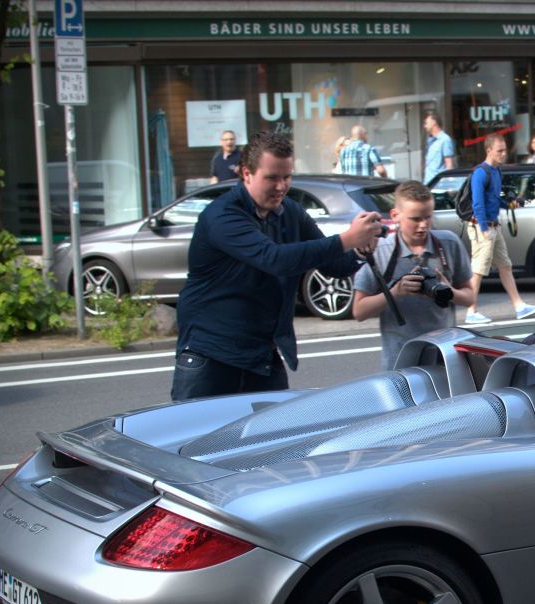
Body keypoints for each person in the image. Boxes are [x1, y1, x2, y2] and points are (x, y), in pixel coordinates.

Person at [172, 131, 383, 401]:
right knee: (197, 439)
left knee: (272, 439)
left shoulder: (290, 212)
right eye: (271, 178)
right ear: (246, 174)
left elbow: (335, 266)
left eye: (287, 176)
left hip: (260, 353)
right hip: (210, 352)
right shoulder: (222, 215)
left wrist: (362, 249)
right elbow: (275, 260)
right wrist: (347, 239)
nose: (281, 186)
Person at [352, 180, 475, 370]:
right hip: (400, 362)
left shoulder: (448, 244)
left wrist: (450, 292)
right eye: (415, 219)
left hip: (444, 360)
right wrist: (395, 293)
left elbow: (469, 298)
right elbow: (359, 311)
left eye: (428, 217)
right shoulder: (380, 251)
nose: (424, 225)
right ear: (395, 216)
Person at [462, 135, 535, 325]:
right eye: (500, 150)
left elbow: (493, 199)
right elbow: (477, 203)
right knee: (478, 269)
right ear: (488, 150)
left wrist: (509, 204)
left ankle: (519, 306)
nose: (504, 154)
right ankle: (471, 311)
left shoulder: (496, 171)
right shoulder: (481, 173)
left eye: (505, 150)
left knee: (505, 266)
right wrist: (483, 228)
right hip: (482, 227)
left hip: (493, 226)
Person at [423, 112, 455, 183]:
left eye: (426, 123)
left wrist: (448, 183)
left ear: (434, 123)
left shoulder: (445, 140)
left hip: (438, 184)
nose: (425, 126)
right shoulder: (430, 141)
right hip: (428, 183)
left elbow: (449, 164)